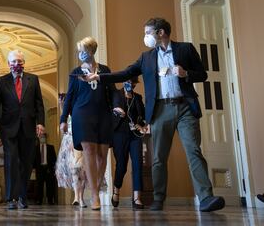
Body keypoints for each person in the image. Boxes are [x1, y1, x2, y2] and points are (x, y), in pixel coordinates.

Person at [84, 17, 225, 212]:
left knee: (193, 151)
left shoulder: (185, 49)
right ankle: (158, 198)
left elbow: (203, 74)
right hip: (160, 110)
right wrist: (99, 77)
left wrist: (186, 74)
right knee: (158, 156)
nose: (145, 37)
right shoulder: (146, 57)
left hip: (185, 107)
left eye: (148, 32)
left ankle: (206, 198)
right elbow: (125, 73)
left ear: (160, 33)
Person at [59, 37, 117, 210]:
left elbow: (113, 91)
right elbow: (69, 96)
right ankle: (94, 195)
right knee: (89, 151)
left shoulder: (105, 70)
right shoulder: (75, 72)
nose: (81, 54)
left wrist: (118, 107)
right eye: (79, 51)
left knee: (102, 154)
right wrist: (63, 119)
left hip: (103, 114)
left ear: (92, 51)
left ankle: (96, 190)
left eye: (84, 50)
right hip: (81, 113)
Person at [0, 49, 45, 210]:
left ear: (23, 63)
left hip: (28, 127)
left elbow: (39, 104)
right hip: (8, 128)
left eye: (19, 61)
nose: (16, 64)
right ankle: (11, 198)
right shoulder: (1, 81)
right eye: (13, 61)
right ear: (8, 64)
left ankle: (22, 196)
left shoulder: (33, 80)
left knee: (26, 163)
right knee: (11, 161)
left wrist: (40, 123)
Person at [111, 77, 146, 210]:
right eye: (128, 81)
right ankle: (116, 190)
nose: (130, 84)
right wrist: (116, 112)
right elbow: (111, 112)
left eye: (132, 82)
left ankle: (137, 197)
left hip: (135, 136)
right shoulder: (116, 94)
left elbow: (143, 116)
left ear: (136, 84)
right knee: (122, 166)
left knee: (137, 164)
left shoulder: (138, 97)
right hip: (119, 134)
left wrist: (141, 125)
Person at [55, 93, 87, 208]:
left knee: (82, 172)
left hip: (81, 142)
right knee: (74, 170)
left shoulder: (81, 110)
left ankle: (81, 198)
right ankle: (76, 197)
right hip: (69, 144)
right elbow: (64, 128)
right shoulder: (66, 115)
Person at [34, 133, 57, 205]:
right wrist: (34, 168)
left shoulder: (51, 147)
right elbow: (33, 159)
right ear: (39, 138)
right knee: (39, 185)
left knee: (50, 185)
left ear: (46, 138)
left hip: (48, 168)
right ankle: (39, 200)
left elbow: (54, 159)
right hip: (39, 168)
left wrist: (53, 168)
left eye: (44, 137)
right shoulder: (35, 148)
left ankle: (50, 200)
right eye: (41, 137)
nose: (42, 138)